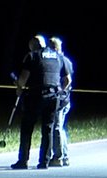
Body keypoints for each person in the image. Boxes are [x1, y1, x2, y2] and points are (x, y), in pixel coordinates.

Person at [11, 34, 68, 169]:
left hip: (35, 96)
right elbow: (67, 80)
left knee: (27, 128)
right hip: (54, 97)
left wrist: (18, 86)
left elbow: (23, 79)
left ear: (32, 46)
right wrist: (60, 92)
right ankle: (44, 162)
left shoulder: (32, 56)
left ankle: (23, 161)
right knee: (48, 129)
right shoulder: (58, 56)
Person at [48, 36, 75, 167]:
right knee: (61, 128)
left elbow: (68, 80)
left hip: (61, 100)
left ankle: (58, 157)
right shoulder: (65, 60)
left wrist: (59, 92)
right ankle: (65, 156)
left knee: (56, 127)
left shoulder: (62, 60)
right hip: (65, 99)